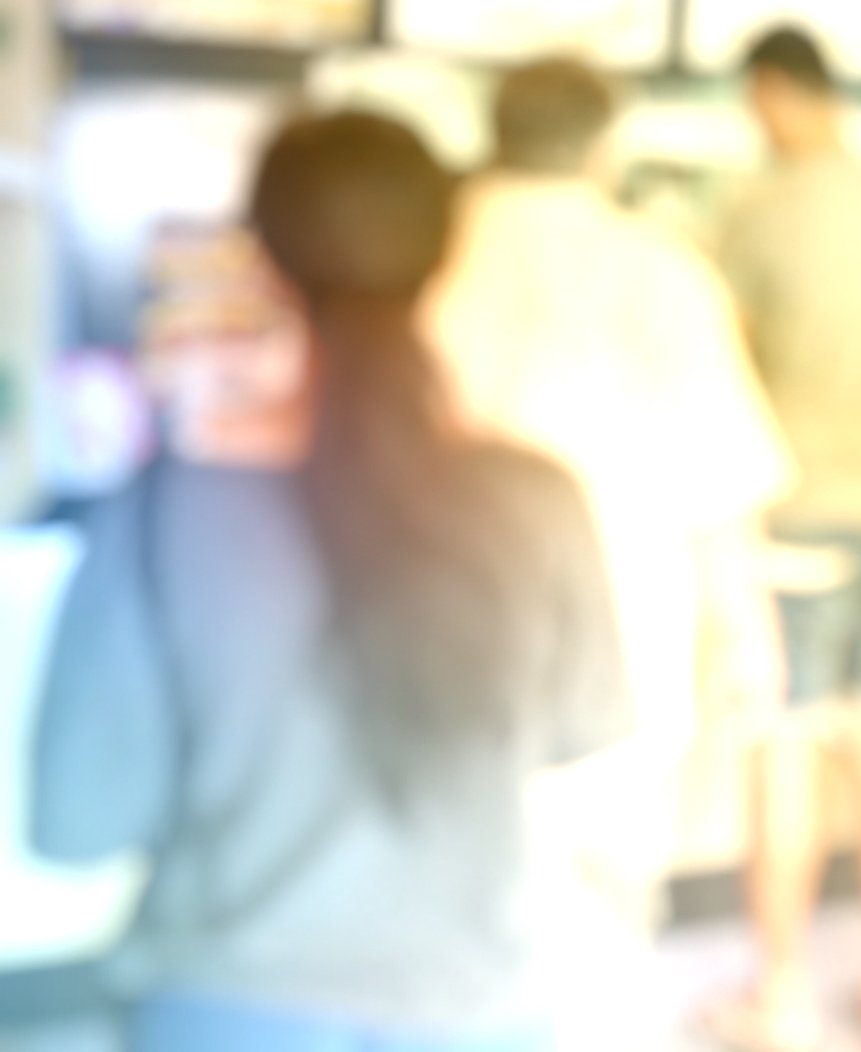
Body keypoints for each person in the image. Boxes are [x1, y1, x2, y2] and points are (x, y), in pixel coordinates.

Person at [33, 112, 634, 1051]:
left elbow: (76, 822)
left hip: (222, 1008)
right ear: (447, 258)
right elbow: (575, 730)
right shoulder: (540, 501)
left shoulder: (163, 513)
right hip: (483, 1013)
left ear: (265, 262)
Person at [421, 57, 793, 1040]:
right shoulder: (660, 269)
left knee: (448, 940)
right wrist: (750, 641)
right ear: (604, 146)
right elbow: (719, 486)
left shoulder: (417, 254)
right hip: (619, 660)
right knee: (604, 934)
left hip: (432, 659)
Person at [710, 27, 861, 1052]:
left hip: (796, 512)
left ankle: (783, 995)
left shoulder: (755, 209)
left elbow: (726, 362)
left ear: (770, 93)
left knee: (788, 743)